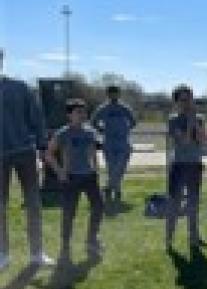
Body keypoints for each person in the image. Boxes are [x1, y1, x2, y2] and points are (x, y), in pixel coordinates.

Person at [0, 48, 55, 270]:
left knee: (33, 203)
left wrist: (42, 147)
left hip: (24, 152)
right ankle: (3, 253)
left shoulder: (19, 88)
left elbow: (37, 118)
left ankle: (37, 253)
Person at [45, 99, 104, 261]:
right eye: (78, 112)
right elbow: (48, 155)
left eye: (84, 112)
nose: (82, 115)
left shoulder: (90, 132)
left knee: (98, 207)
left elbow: (93, 152)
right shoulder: (62, 133)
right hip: (71, 178)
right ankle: (65, 246)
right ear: (69, 115)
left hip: (90, 177)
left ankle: (92, 240)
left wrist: (96, 169)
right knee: (69, 213)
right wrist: (60, 172)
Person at [166, 85, 207, 250]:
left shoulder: (200, 118)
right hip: (179, 165)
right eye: (183, 100)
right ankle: (169, 239)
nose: (187, 103)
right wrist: (190, 122)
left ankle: (194, 238)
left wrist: (195, 123)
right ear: (176, 102)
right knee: (174, 203)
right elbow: (183, 141)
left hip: (195, 165)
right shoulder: (173, 120)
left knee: (193, 203)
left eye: (189, 99)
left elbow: (202, 140)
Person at [91, 85, 137, 203]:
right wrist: (102, 130)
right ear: (108, 95)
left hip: (123, 142)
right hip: (109, 142)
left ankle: (109, 187)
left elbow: (133, 121)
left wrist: (125, 130)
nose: (113, 96)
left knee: (120, 167)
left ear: (119, 94)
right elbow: (93, 121)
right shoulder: (103, 108)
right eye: (111, 93)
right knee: (111, 168)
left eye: (115, 93)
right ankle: (116, 190)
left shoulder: (124, 108)